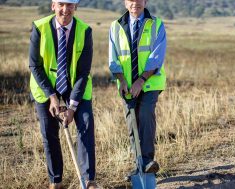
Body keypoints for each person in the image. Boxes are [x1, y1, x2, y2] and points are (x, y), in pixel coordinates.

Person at [28, 0, 98, 188]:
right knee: (49, 131)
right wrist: (52, 97)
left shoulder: (85, 30)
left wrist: (72, 107)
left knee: (85, 124)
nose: (65, 10)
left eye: (70, 5)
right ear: (53, 6)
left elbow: (83, 72)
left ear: (76, 7)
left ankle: (89, 180)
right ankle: (56, 180)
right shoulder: (39, 27)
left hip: (75, 86)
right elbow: (34, 65)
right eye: (61, 4)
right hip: (45, 87)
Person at [108, 0, 167, 179]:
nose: (135, 3)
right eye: (131, 0)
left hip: (149, 83)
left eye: (139, 0)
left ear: (145, 2)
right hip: (126, 85)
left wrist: (141, 81)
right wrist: (122, 80)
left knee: (145, 115)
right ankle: (139, 167)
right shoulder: (116, 26)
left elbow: (156, 57)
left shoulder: (156, 24)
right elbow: (113, 57)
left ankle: (148, 161)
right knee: (132, 124)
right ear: (126, 3)